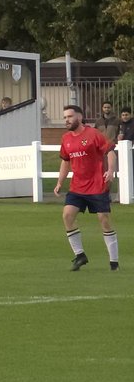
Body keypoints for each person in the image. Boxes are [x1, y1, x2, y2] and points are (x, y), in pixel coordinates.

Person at [55, 104, 118, 271]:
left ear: (79, 117)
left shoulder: (94, 134)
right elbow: (65, 161)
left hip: (97, 185)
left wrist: (110, 170)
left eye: (69, 116)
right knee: (67, 215)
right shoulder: (66, 138)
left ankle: (114, 263)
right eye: (65, 117)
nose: (66, 120)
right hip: (77, 186)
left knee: (104, 220)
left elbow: (110, 152)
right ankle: (80, 255)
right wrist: (60, 182)